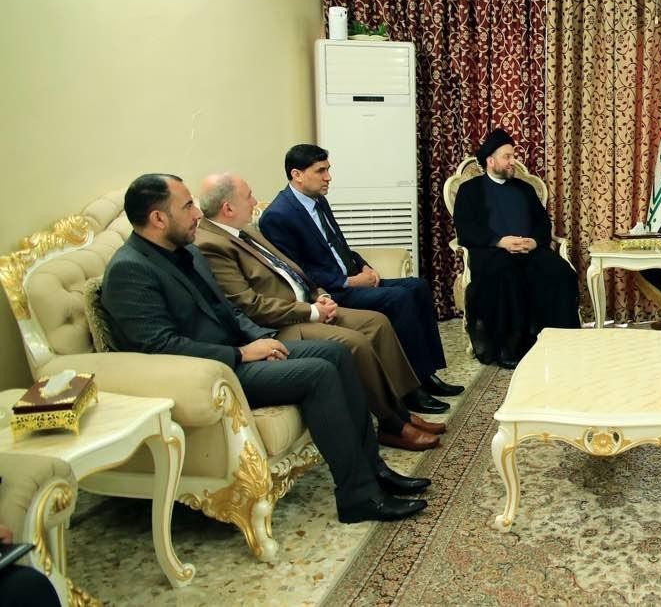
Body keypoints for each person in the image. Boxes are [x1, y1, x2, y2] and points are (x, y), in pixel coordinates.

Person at [101, 174, 428, 523]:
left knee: (337, 352)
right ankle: (358, 497)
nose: (198, 213)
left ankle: (374, 470)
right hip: (211, 375)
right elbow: (160, 347)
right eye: (188, 206)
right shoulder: (130, 270)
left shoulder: (188, 252)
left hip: (240, 353)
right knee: (319, 373)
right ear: (158, 218)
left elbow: (229, 311)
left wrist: (260, 339)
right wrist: (242, 354)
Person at [195, 172, 447, 452]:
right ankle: (393, 425)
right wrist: (311, 312)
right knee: (355, 343)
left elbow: (291, 269)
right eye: (248, 196)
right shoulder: (211, 245)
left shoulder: (247, 231)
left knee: (377, 323)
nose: (255, 202)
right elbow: (250, 305)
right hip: (282, 324)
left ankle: (403, 408)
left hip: (310, 302)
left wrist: (320, 295)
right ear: (228, 208)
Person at [257, 144, 458, 404]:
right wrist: (348, 281)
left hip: (354, 278)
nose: (328, 177)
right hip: (331, 292)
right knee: (399, 299)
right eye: (320, 171)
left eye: (328, 169)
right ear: (297, 175)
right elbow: (298, 271)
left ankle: (427, 374)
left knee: (418, 286)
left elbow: (339, 245)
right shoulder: (278, 216)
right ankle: (410, 390)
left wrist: (364, 266)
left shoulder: (318, 200)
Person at [452, 128, 580, 368]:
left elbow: (543, 223)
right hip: (492, 253)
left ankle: (561, 341)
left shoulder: (525, 189)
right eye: (507, 157)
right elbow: (466, 228)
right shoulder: (470, 191)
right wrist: (500, 242)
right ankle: (509, 348)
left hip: (530, 251)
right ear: (490, 161)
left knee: (561, 272)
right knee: (506, 274)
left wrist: (534, 241)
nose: (513, 161)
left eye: (513, 156)